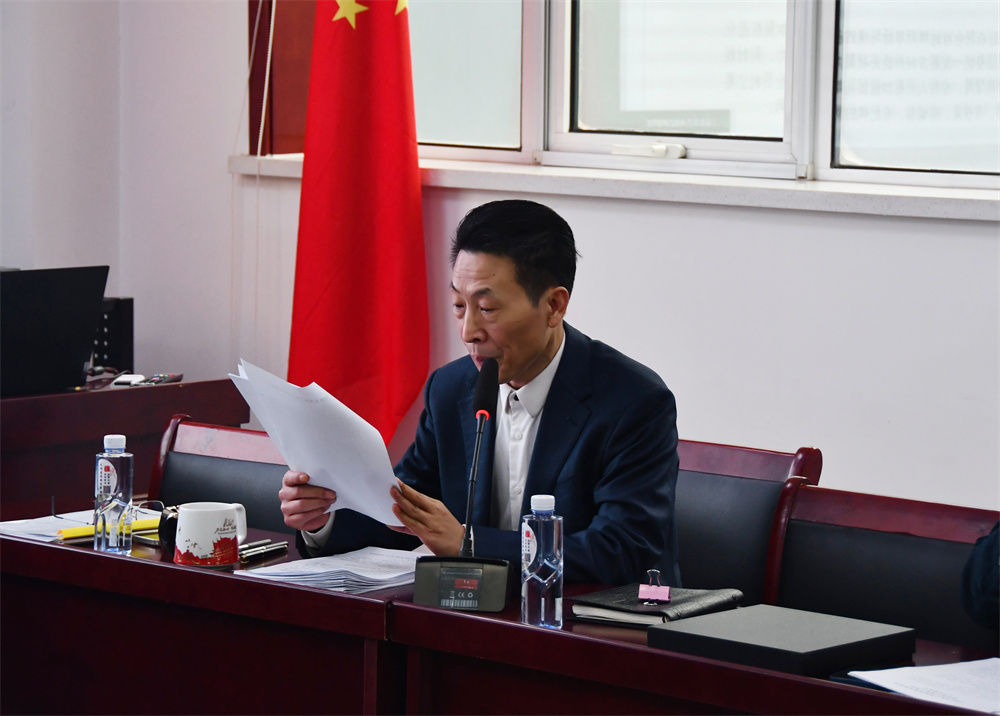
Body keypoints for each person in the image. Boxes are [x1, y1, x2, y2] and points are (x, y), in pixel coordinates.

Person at [279, 199, 680, 585]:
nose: (469, 331)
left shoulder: (634, 401)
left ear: (554, 306)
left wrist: (468, 543)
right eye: (458, 305)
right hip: (478, 616)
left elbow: (620, 550)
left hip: (590, 622)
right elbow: (405, 513)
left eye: (487, 309)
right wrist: (324, 519)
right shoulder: (449, 388)